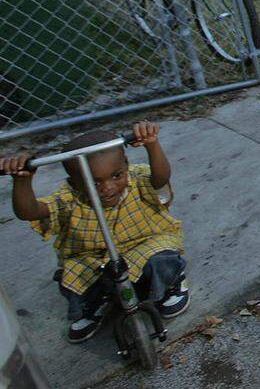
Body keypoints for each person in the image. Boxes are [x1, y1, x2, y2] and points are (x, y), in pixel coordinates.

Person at [1, 123, 188, 344]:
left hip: (144, 244)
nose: (107, 187)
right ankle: (94, 304)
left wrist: (151, 144)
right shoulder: (69, 198)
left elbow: (160, 178)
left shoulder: (136, 179)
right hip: (96, 258)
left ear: (126, 166)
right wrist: (22, 181)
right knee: (72, 277)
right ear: (74, 183)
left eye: (116, 175)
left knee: (163, 259)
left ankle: (173, 284)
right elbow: (29, 212)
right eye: (94, 182)